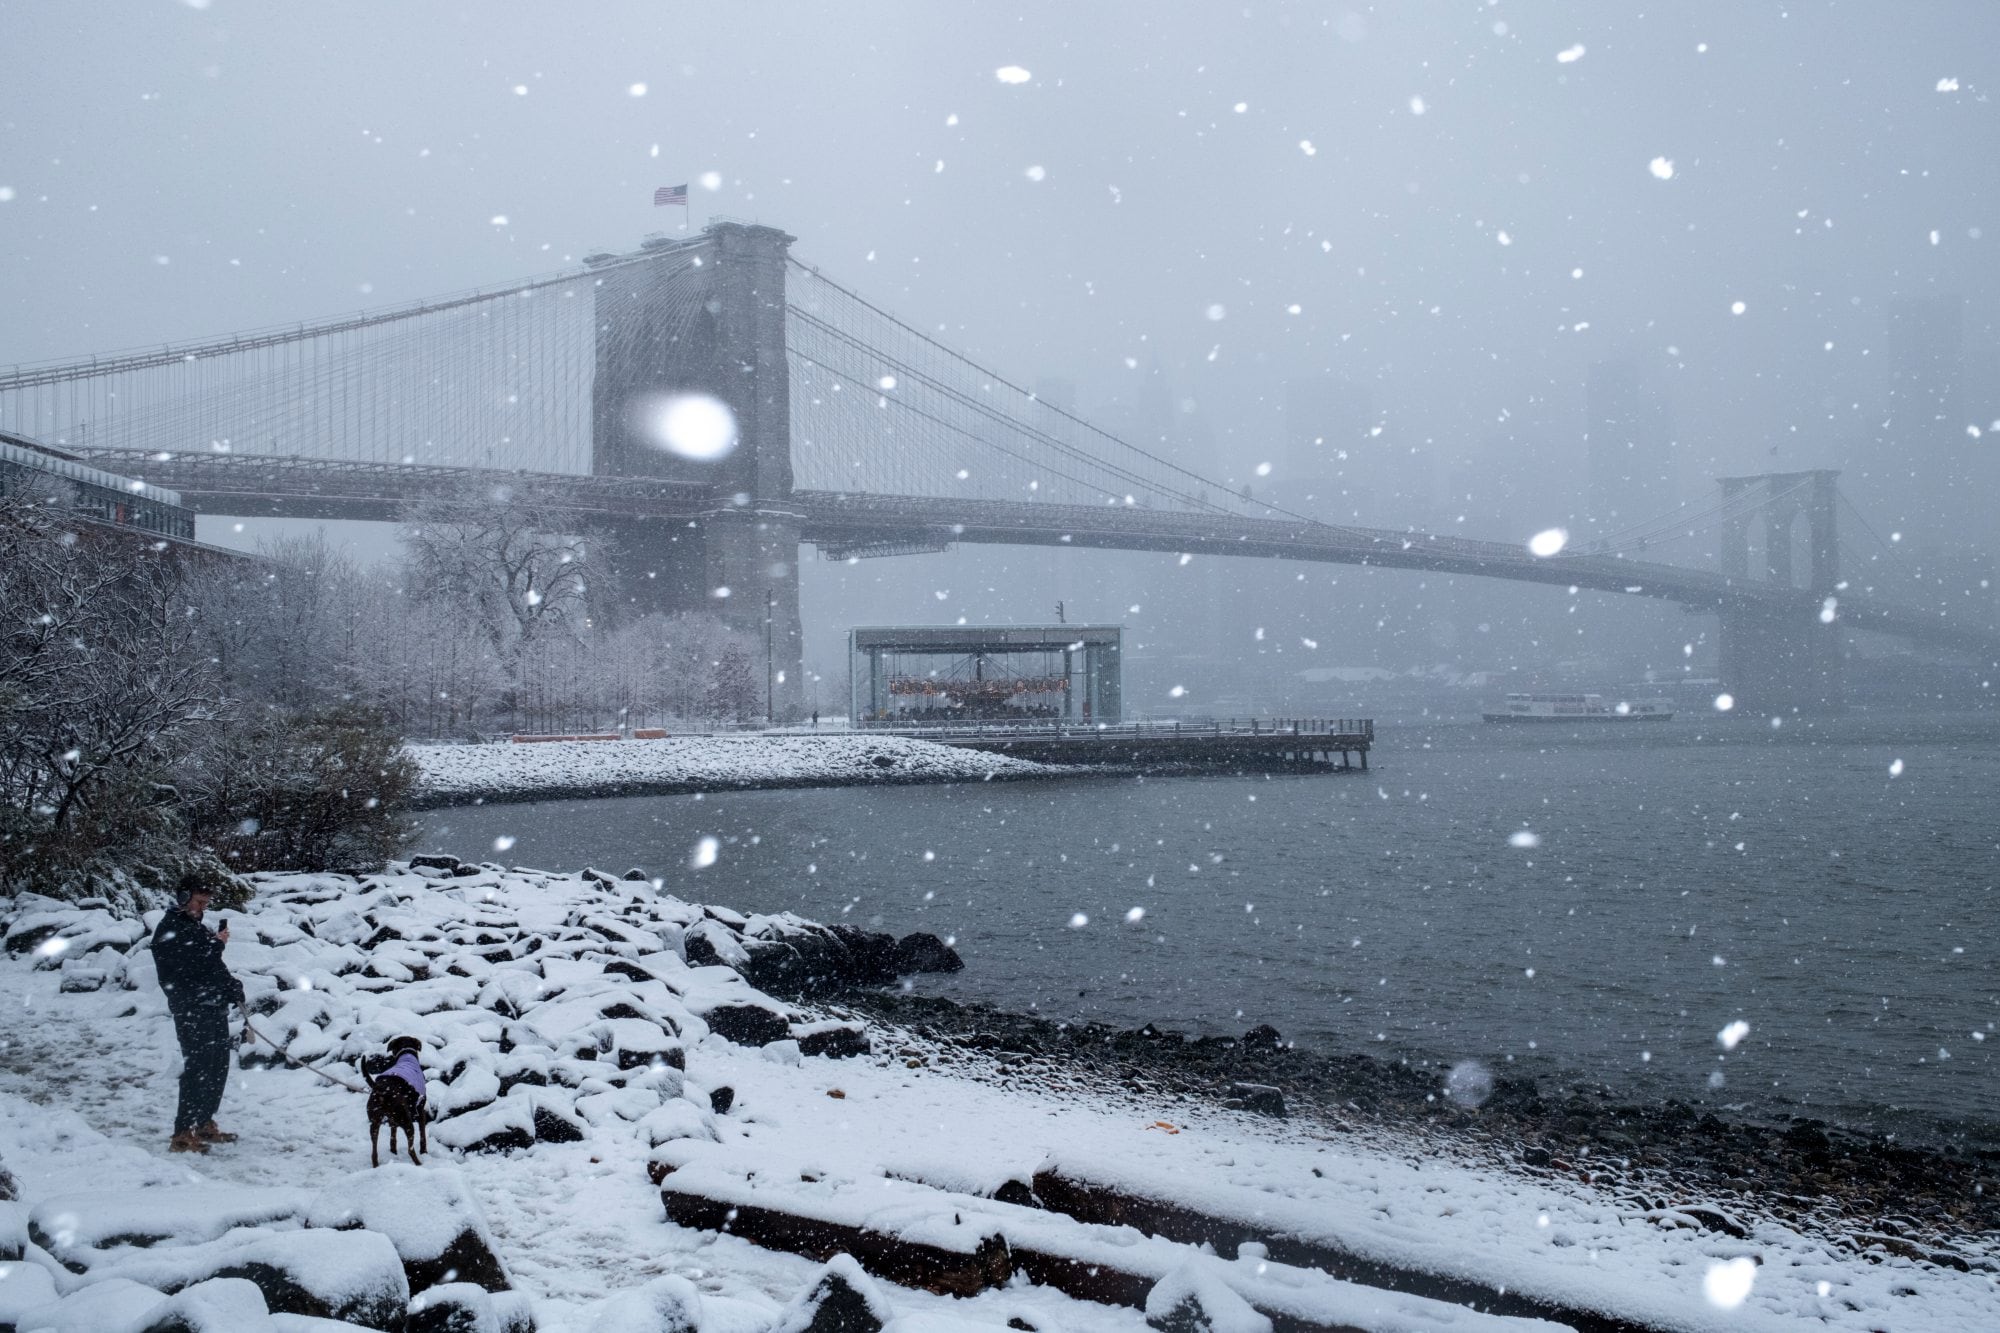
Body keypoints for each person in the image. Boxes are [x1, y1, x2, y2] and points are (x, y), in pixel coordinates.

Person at [151, 874, 245, 1154]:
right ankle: (182, 1132)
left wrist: (232, 986)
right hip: (190, 1007)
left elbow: (212, 966)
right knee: (198, 1067)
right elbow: (191, 965)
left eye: (206, 903)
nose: (202, 908)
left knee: (218, 1064)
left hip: (212, 1004)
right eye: (199, 902)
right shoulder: (170, 927)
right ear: (183, 898)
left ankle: (203, 1122)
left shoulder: (197, 927)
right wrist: (217, 945)